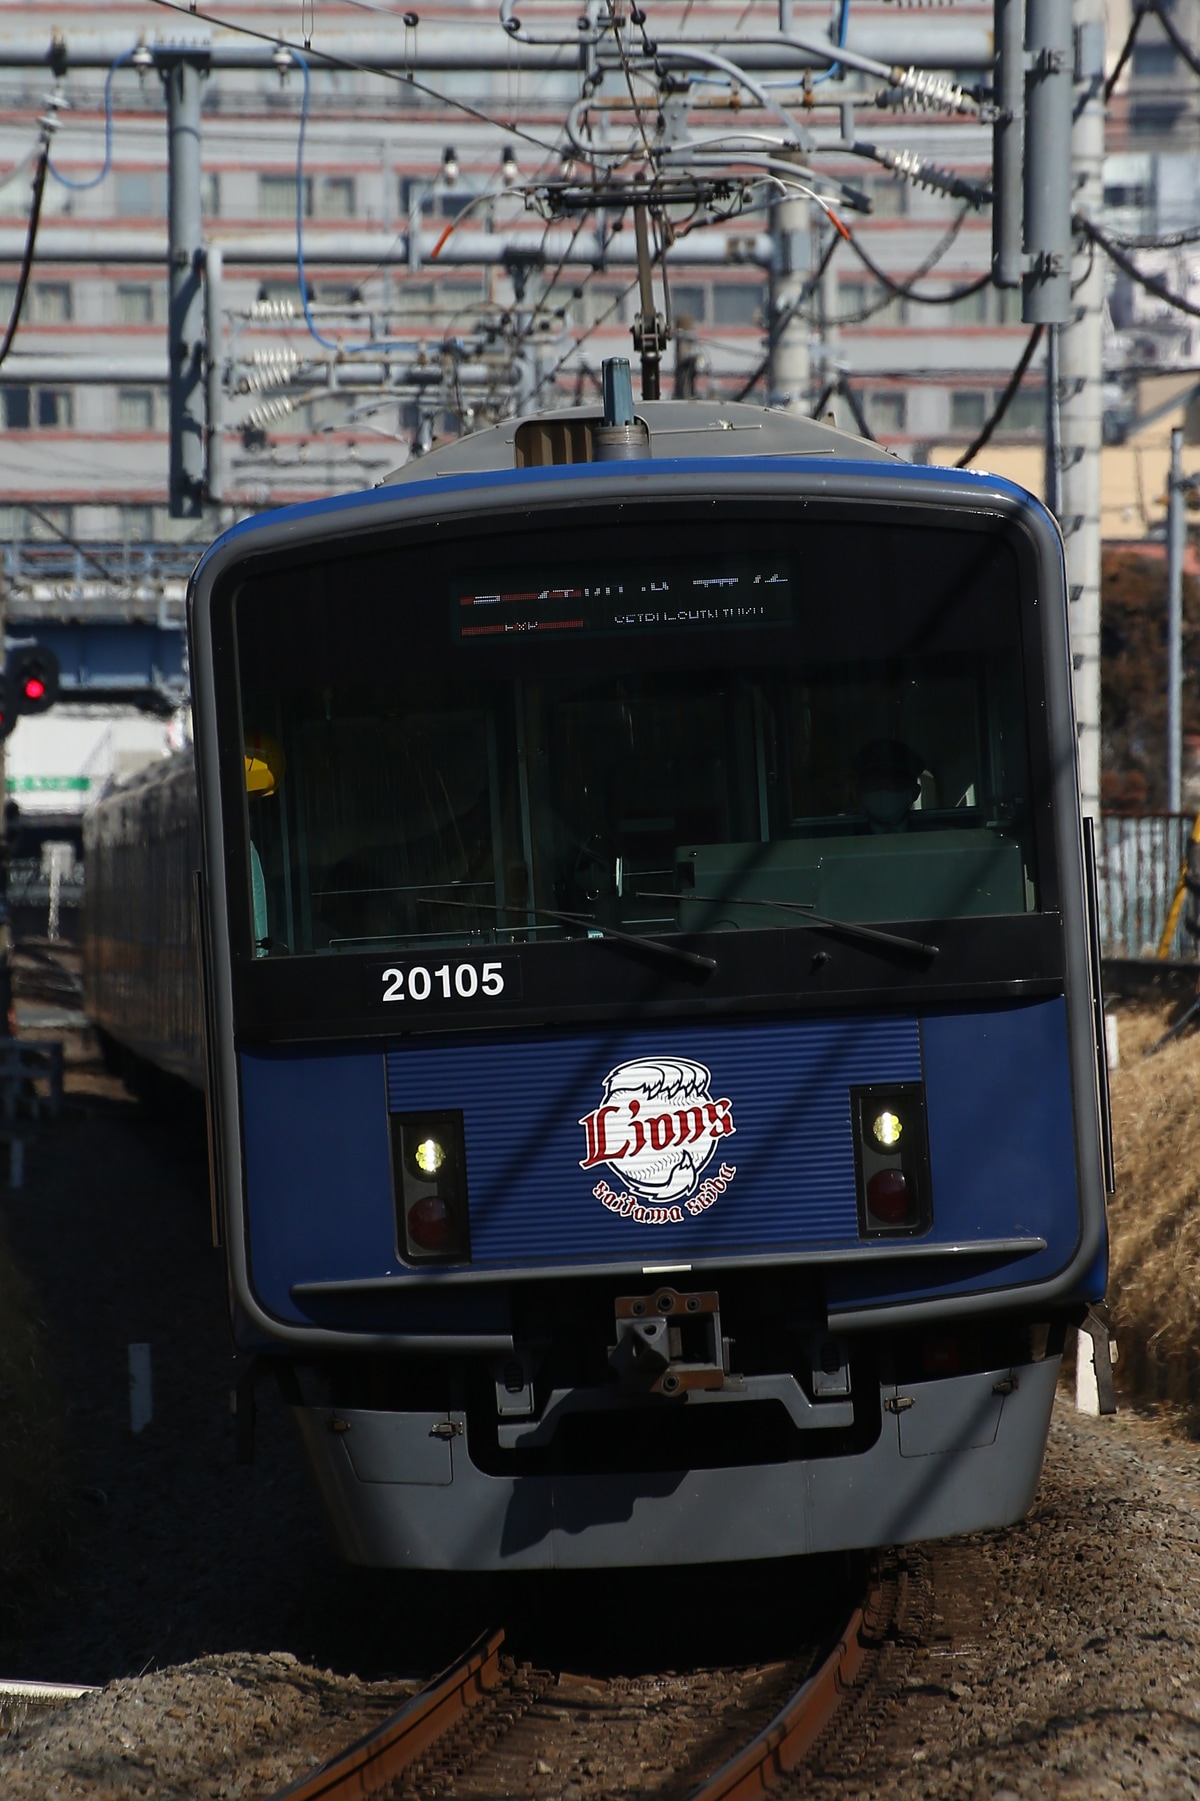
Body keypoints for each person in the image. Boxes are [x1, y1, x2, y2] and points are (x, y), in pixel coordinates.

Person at [853, 738, 927, 832]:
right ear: (858, 792)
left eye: (894, 783)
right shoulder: (841, 841)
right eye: (874, 782)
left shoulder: (937, 837)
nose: (883, 788)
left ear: (915, 792)